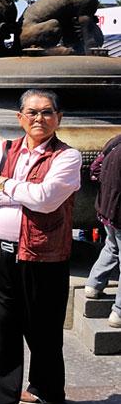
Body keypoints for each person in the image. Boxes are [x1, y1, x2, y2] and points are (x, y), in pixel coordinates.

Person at [0, 89, 82, 404]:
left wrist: (2, 184)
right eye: (31, 113)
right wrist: (21, 193)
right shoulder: (4, 149)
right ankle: (0, 402)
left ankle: (47, 387)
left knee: (43, 327)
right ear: (20, 118)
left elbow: (46, 199)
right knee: (2, 325)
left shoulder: (67, 157)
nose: (39, 119)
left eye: (47, 112)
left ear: (58, 118)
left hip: (43, 256)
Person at [84, 133, 121, 327]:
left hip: (106, 209)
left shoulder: (115, 141)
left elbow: (95, 168)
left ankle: (93, 285)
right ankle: (119, 313)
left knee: (111, 247)